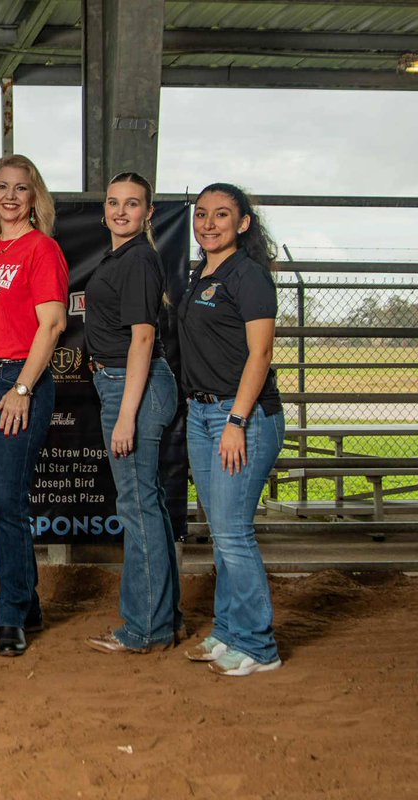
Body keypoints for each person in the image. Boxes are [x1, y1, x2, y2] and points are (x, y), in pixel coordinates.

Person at [0, 155, 68, 657]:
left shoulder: (41, 249)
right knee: (1, 499)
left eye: (20, 188)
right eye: (1, 187)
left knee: (7, 500)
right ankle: (26, 608)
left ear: (34, 197)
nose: (9, 196)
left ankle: (12, 616)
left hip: (15, 380)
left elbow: (51, 326)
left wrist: (23, 388)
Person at [179, 183, 285, 677]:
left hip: (241, 417)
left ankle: (260, 646)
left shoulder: (250, 276)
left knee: (235, 533)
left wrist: (237, 421)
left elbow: (259, 355)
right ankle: (227, 631)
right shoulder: (200, 273)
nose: (209, 223)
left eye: (222, 215)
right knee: (222, 534)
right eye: (202, 214)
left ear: (243, 224)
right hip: (203, 416)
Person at [82, 172, 184, 655]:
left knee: (137, 507)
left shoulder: (139, 258)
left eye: (133, 204)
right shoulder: (120, 256)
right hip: (121, 383)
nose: (121, 211)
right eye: (114, 202)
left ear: (149, 213)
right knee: (149, 505)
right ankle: (165, 618)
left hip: (132, 388)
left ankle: (145, 629)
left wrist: (127, 415)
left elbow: (143, 338)